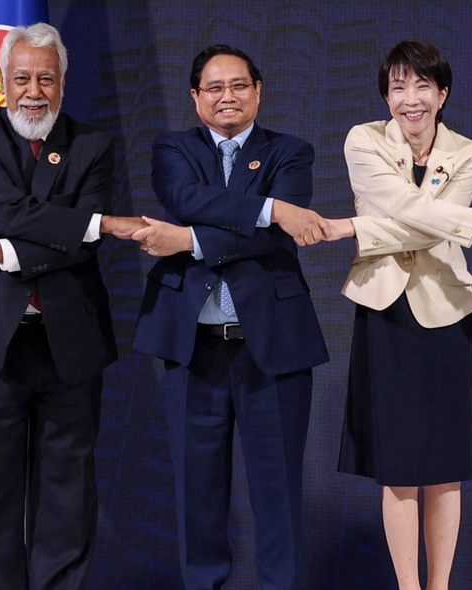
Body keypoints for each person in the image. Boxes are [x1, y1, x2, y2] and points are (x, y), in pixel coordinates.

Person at [322, 41, 472, 590]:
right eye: (398, 87)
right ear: (386, 96)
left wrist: (352, 228)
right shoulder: (364, 140)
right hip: (384, 308)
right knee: (398, 463)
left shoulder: (469, 153)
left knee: (446, 462)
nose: (411, 99)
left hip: (445, 310)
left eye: (422, 86)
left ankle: (440, 585)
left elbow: (429, 226)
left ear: (442, 94)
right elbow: (413, 211)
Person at [0, 23, 144, 590]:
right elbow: (8, 212)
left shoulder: (92, 143)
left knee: (68, 493)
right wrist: (91, 224)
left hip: (70, 340)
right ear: (2, 81)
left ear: (62, 83)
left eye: (46, 79)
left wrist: (2, 251)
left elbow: (78, 244)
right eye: (22, 78)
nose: (33, 91)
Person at [131, 44, 330, 590]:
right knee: (197, 491)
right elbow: (184, 198)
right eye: (214, 87)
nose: (227, 97)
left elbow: (275, 238)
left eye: (239, 85)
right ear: (195, 97)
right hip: (192, 345)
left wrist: (189, 241)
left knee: (278, 491)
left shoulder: (291, 152)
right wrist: (271, 209)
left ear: (258, 92)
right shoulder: (173, 147)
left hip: (273, 346)